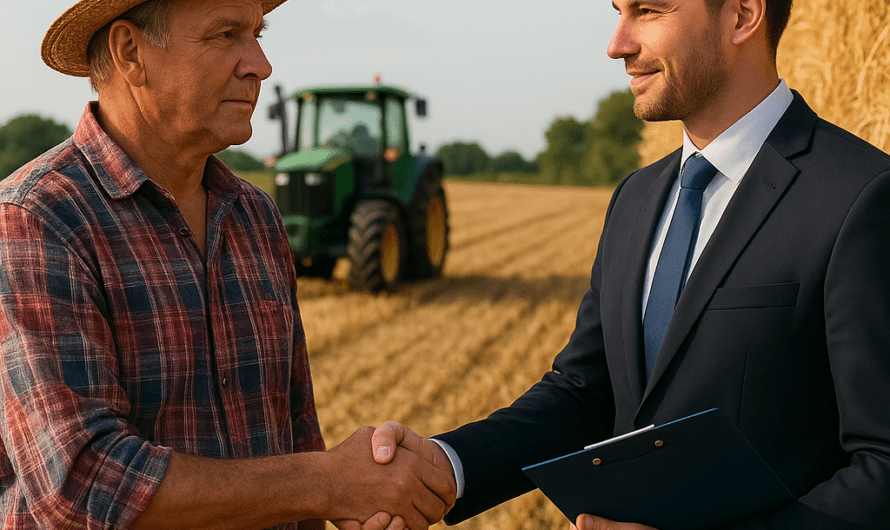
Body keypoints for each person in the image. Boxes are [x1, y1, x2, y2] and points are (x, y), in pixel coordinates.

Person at [367, 0, 890, 528]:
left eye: (649, 10)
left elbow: (883, 464)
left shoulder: (861, 197)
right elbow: (585, 394)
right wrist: (447, 465)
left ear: (742, 15)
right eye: (618, 12)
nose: (617, 44)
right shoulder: (636, 198)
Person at [0, 0, 454, 529]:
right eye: (225, 35)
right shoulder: (36, 219)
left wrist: (340, 495)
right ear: (130, 52)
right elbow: (81, 482)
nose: (259, 64)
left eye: (257, 33)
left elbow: (297, 431)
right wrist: (327, 484)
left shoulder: (256, 216)